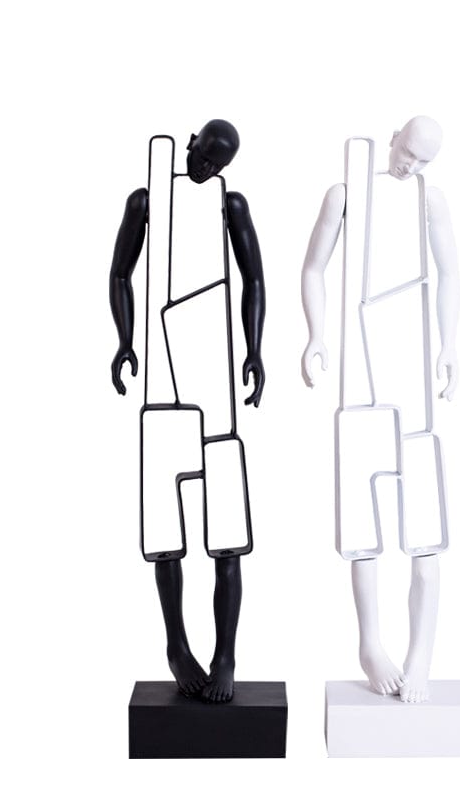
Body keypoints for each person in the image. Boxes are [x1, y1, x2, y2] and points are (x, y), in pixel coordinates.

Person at [301, 116, 460, 703]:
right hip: (363, 370)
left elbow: (450, 274)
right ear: (394, 138)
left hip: (409, 363)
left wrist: (448, 344)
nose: (409, 166)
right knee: (361, 523)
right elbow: (313, 267)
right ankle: (370, 643)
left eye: (423, 161)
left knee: (425, 529)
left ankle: (421, 654)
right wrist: (316, 335)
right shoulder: (346, 193)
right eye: (408, 152)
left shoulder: (429, 201)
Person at [110, 119, 265, 703]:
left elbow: (254, 279)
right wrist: (125, 340)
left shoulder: (230, 204)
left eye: (219, 164)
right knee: (164, 527)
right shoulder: (148, 198)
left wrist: (254, 349)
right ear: (192, 140)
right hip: (165, 373)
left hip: (213, 370)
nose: (207, 168)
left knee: (227, 531)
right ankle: (176, 644)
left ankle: (226, 654)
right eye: (205, 155)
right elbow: (120, 272)